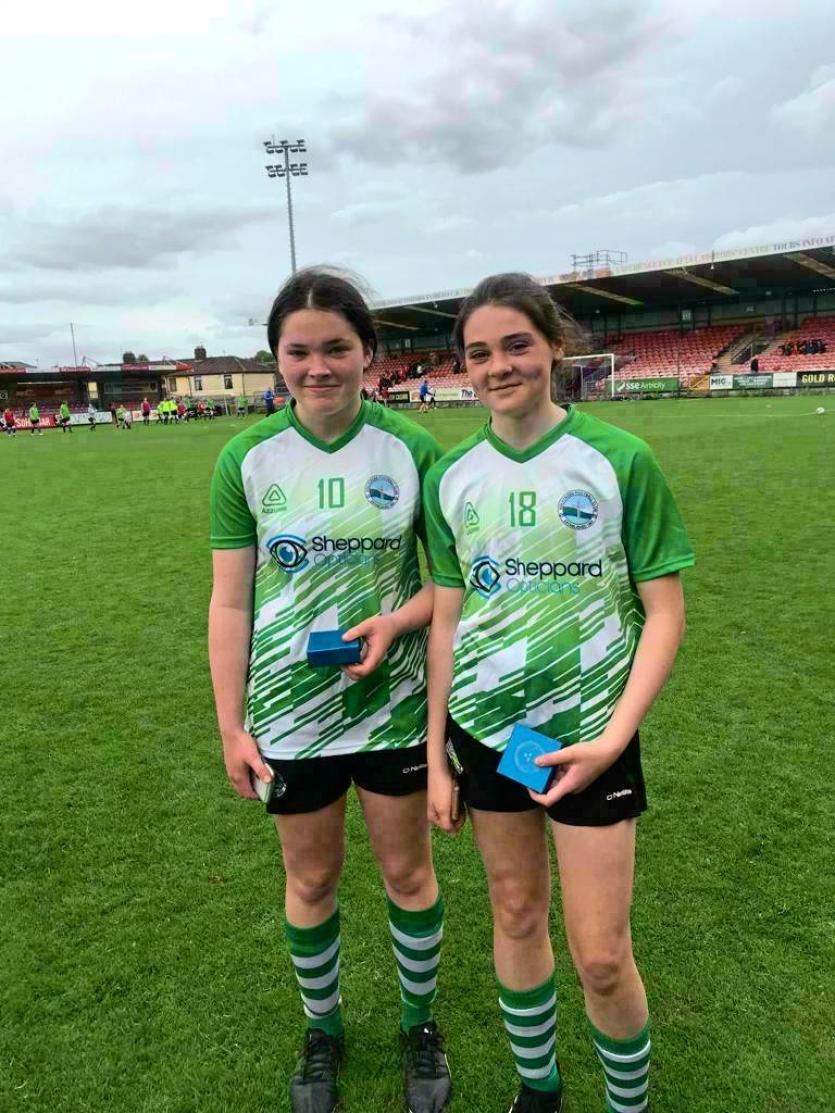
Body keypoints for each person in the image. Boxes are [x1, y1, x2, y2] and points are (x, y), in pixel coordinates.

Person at [423, 273, 694, 1113]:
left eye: (515, 344)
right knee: (513, 911)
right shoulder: (451, 476)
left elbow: (663, 613)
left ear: (553, 346)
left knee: (601, 954)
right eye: (478, 352)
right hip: (487, 732)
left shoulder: (619, 459)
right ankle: (537, 1092)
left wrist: (614, 736)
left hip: (589, 737)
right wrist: (434, 756)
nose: (497, 365)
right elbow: (446, 622)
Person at [208, 267, 452, 1113]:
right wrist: (232, 724)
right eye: (298, 350)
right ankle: (324, 1029)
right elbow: (230, 600)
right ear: (277, 358)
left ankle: (419, 1024)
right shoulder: (246, 458)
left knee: (407, 871)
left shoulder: (412, 448)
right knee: (309, 879)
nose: (317, 366)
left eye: (336, 348)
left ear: (368, 352)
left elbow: (449, 586)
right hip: (288, 712)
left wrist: (396, 622)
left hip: (393, 706)